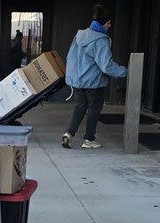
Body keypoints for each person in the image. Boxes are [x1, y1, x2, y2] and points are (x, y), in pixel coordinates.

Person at [62, 5, 127, 149]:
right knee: (94, 110)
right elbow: (106, 66)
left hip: (78, 81)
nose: (110, 26)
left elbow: (70, 57)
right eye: (109, 23)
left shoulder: (79, 35)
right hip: (94, 83)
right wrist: (125, 72)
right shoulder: (101, 40)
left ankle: (69, 134)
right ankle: (89, 139)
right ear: (104, 23)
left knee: (79, 107)